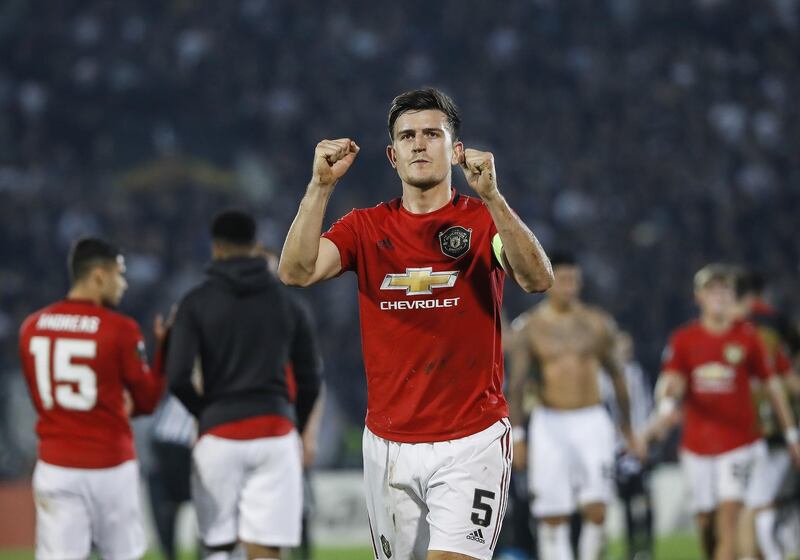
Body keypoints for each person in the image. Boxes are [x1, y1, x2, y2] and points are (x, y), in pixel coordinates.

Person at [278, 87, 553, 560]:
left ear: (455, 148)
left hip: (472, 438)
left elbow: (536, 278)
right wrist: (320, 187)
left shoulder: (483, 223)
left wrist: (493, 198)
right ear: (392, 154)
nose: (419, 144)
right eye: (407, 136)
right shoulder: (365, 228)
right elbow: (296, 271)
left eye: (432, 133)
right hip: (388, 442)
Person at [166, 210, 322, 560]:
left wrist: (206, 413)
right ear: (255, 246)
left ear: (216, 249)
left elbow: (177, 377)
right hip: (275, 432)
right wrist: (293, 422)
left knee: (219, 545)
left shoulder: (196, 303)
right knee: (266, 548)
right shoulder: (289, 303)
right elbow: (311, 378)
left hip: (218, 436)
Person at [18, 237, 167, 560]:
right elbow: (146, 401)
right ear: (99, 275)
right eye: (119, 274)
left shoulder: (31, 327)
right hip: (110, 466)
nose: (123, 284)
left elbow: (40, 398)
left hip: (56, 464)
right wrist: (163, 355)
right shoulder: (120, 329)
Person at [643, 264, 800, 560]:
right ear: (698, 297)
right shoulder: (684, 339)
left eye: (725, 291)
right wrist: (667, 403)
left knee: (730, 518)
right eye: (713, 291)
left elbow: (775, 388)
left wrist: (792, 434)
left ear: (733, 297)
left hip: (741, 444)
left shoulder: (749, 337)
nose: (720, 297)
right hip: (697, 446)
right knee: (706, 522)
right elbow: (672, 381)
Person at [507, 251, 641, 560]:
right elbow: (516, 385)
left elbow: (617, 377)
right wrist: (519, 436)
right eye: (564, 280)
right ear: (550, 280)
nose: (570, 287)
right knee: (553, 514)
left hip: (592, 420)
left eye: (574, 281)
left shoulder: (596, 323)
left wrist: (628, 428)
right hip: (549, 421)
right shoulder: (529, 327)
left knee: (597, 508)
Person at [734, 269, 800, 560]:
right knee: (771, 500)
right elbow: (788, 375)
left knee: (752, 503)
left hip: (738, 427)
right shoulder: (778, 323)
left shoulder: (729, 327)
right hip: (777, 425)